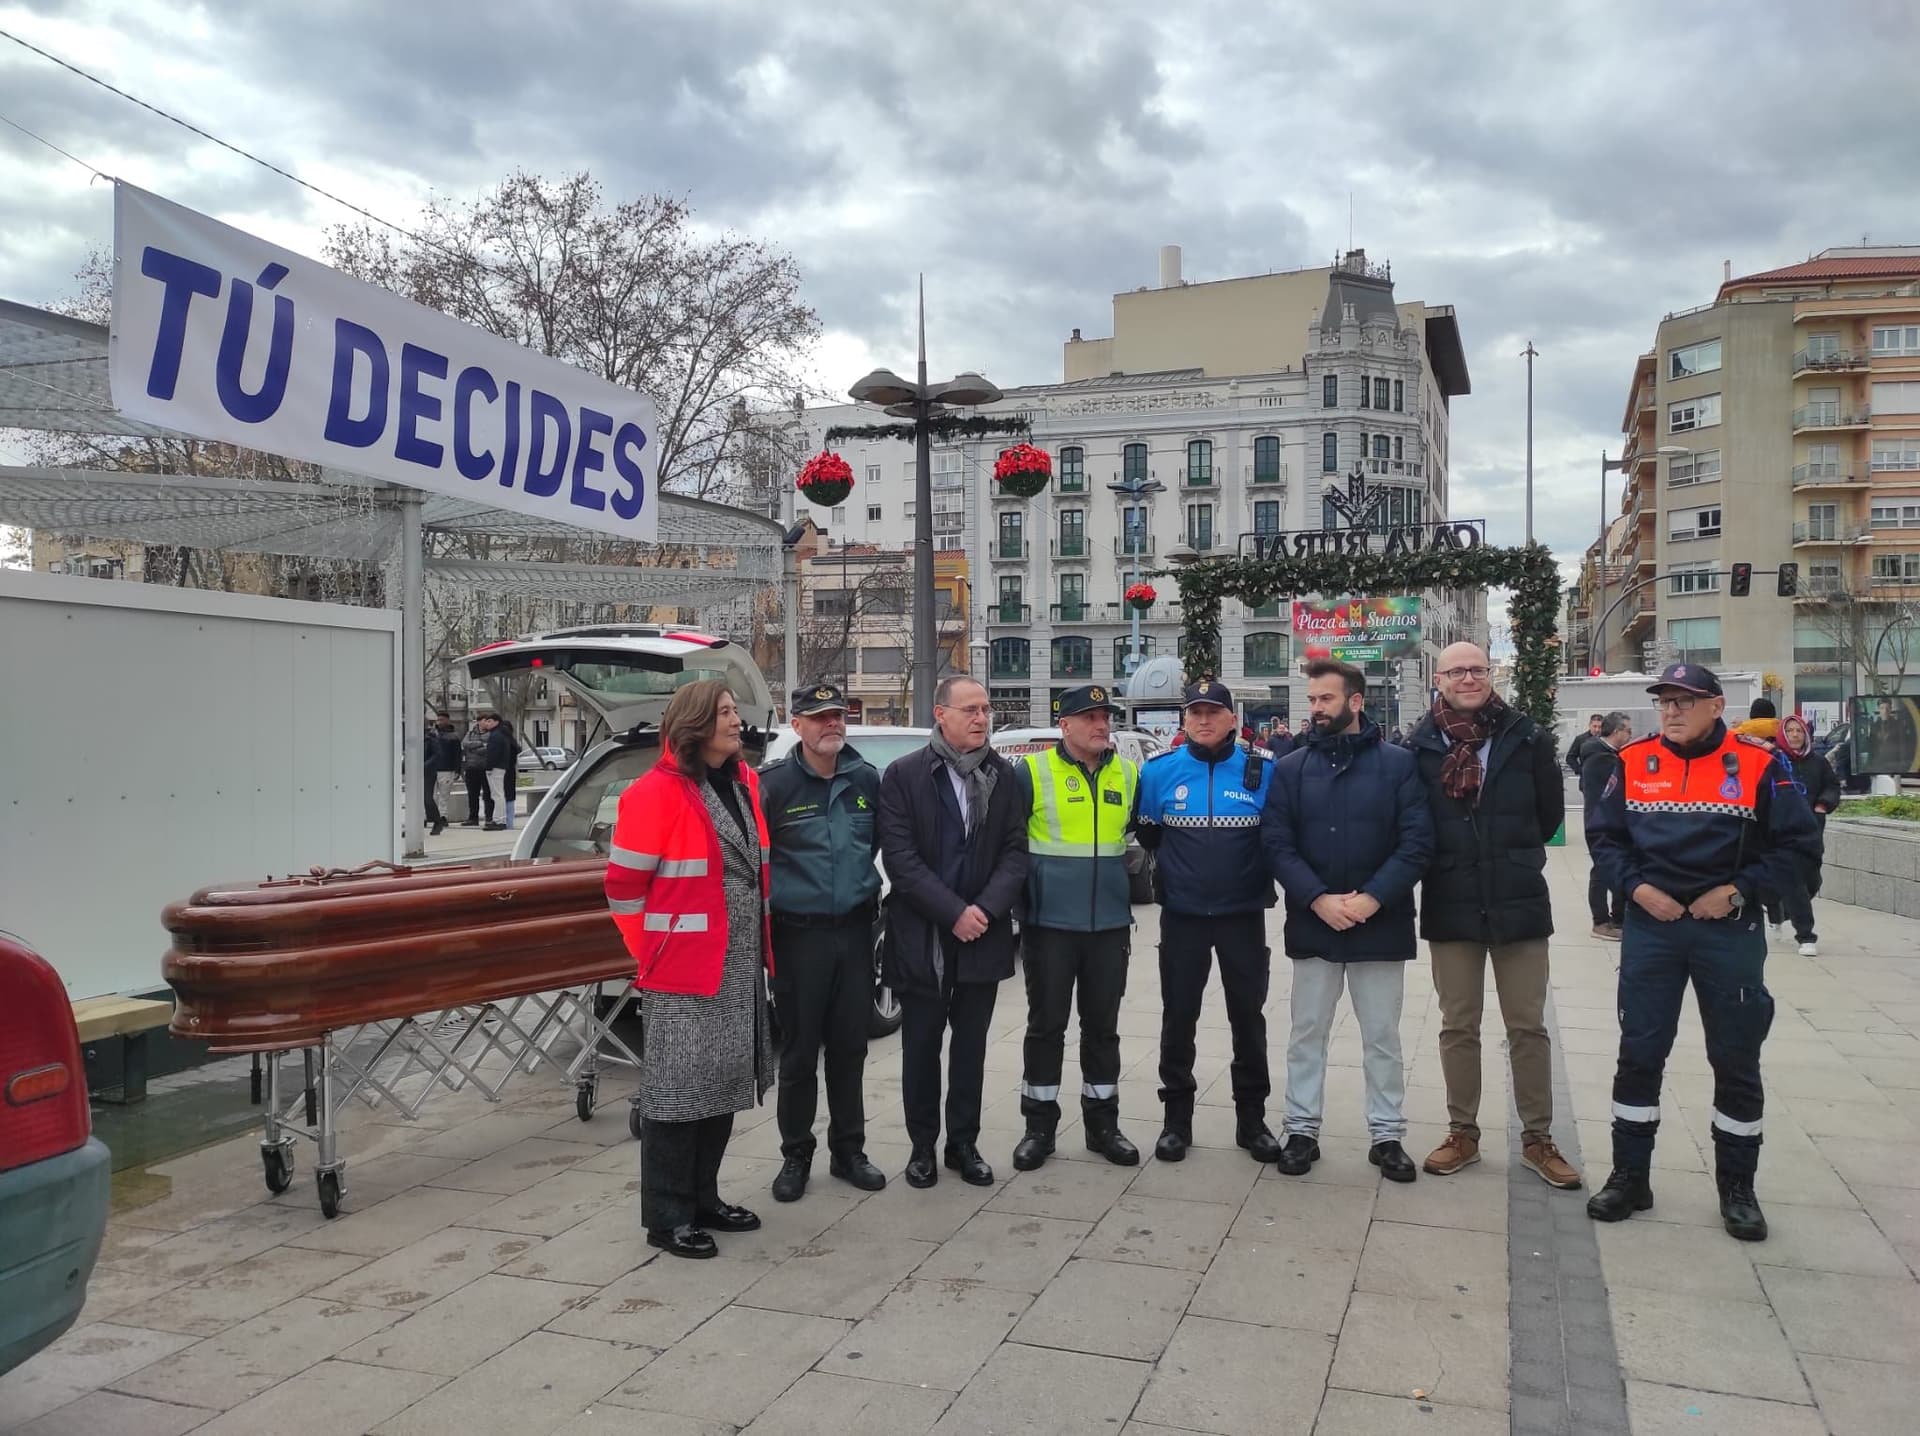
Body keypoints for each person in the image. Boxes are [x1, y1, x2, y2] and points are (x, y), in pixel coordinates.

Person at [1586, 663, 1821, 1242]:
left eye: (1685, 701)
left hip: (1727, 930)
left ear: (1716, 706)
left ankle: (1737, 1189)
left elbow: (1800, 847)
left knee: (1736, 1058)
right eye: (1665, 701)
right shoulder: (1633, 762)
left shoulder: (1761, 764)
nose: (1671, 711)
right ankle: (1630, 1177)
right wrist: (1638, 891)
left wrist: (1739, 891)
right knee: (1639, 1053)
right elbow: (1605, 838)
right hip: (1653, 929)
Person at [604, 680, 775, 1259]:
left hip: (737, 962)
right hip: (681, 968)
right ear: (696, 724)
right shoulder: (653, 793)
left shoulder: (744, 782)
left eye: (734, 711)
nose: (736, 720)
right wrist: (648, 951)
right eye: (725, 712)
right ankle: (666, 1216)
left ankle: (705, 1198)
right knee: (676, 1096)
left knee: (721, 1086)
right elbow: (624, 888)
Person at [1408, 644, 1581, 1189]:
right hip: (1450, 899)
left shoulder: (1527, 738)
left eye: (1477, 669)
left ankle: (1538, 1138)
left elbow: (1548, 814)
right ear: (1438, 680)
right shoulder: (1419, 746)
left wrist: (1513, 858)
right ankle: (1463, 1132)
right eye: (1456, 671)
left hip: (1517, 900)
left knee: (1527, 1026)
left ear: (1491, 674)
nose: (1467, 678)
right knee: (1458, 1024)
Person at [1263, 659, 1433, 1183]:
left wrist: (1373, 898)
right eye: (1311, 700)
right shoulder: (1290, 768)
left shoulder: (1398, 765)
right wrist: (1316, 898)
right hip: (1314, 921)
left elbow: (1417, 842)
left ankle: (1387, 1135)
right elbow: (1275, 842)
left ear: (1355, 702)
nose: (1314, 709)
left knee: (1382, 1034)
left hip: (1379, 923)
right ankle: (1301, 1130)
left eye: (1325, 700)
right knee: (1306, 1032)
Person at [877, 675, 1028, 1190]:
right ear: (941, 714)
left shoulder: (1002, 776)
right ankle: (922, 1147)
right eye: (970, 709)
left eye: (986, 709)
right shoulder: (904, 776)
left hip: (981, 935)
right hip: (924, 937)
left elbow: (1014, 852)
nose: (982, 718)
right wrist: (952, 913)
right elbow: (901, 860)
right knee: (921, 1048)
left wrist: (983, 910)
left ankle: (963, 1144)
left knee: (971, 1048)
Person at [1134, 681, 1285, 1165]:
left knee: (1248, 1019)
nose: (1202, 720)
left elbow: (1278, 839)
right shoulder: (1158, 773)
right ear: (1183, 719)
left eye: (1212, 712)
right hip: (1183, 918)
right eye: (1194, 712)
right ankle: (1176, 1123)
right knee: (1179, 1018)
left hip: (1243, 918)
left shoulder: (1264, 772)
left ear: (1231, 719)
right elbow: (1150, 836)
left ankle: (1252, 1120)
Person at [759, 682, 887, 1202]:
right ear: (797, 726)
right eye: (819, 717)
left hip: (856, 932)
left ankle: (848, 1151)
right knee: (799, 1053)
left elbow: (872, 845)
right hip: (799, 937)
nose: (831, 724)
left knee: (850, 1050)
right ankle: (796, 1155)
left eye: (838, 715)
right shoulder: (774, 786)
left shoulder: (865, 779)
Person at [1009, 684, 1140, 1172]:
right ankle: (1038, 1127)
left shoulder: (1127, 773)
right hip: (1050, 926)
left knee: (1103, 1029)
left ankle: (1103, 1125)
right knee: (1046, 1027)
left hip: (1108, 925)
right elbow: (1010, 844)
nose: (1101, 724)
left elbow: (1134, 837)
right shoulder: (1033, 772)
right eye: (1089, 717)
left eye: (1105, 716)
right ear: (1065, 725)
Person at [1769, 714, 1838, 956]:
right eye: (1790, 731)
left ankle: (1779, 910)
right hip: (1783, 833)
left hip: (1811, 831)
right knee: (1794, 883)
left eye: (1799, 731)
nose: (1795, 735)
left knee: (1812, 881)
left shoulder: (1818, 762)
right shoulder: (1773, 761)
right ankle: (1806, 936)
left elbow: (1832, 786)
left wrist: (1823, 804)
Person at [1580, 713, 1635, 939]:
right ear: (1616, 732)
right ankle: (1601, 922)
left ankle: (1618, 919)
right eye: (1628, 731)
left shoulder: (1610, 754)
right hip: (1601, 822)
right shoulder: (1600, 757)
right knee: (1602, 871)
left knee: (1617, 866)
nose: (1630, 735)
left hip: (1611, 819)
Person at [459, 716, 493, 826]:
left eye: (488, 721)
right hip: (471, 768)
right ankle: (473, 818)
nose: (487, 723)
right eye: (485, 720)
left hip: (485, 768)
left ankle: (489, 817)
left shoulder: (491, 734)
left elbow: (489, 748)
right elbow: (464, 744)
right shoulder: (470, 733)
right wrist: (481, 743)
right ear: (479, 722)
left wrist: (473, 748)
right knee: (472, 795)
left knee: (487, 794)